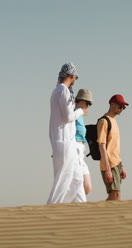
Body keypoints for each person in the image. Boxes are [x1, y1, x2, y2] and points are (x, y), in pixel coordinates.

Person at [47, 62, 88, 204]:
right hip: (64, 141)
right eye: (75, 78)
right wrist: (80, 111)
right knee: (63, 178)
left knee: (76, 178)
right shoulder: (63, 91)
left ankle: (74, 207)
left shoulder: (56, 91)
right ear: (71, 76)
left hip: (63, 141)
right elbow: (68, 117)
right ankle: (51, 208)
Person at [97, 94, 129, 200]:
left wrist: (121, 167)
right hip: (109, 164)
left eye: (123, 107)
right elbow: (101, 145)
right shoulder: (104, 121)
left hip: (117, 163)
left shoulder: (114, 121)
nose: (122, 109)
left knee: (114, 195)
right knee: (116, 194)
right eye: (120, 106)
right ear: (112, 104)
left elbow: (115, 147)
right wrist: (107, 169)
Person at [74, 89, 93, 195]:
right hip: (73, 151)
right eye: (87, 103)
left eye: (90, 104)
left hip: (81, 153)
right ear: (80, 101)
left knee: (87, 187)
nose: (88, 106)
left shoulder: (79, 115)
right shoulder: (72, 113)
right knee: (78, 187)